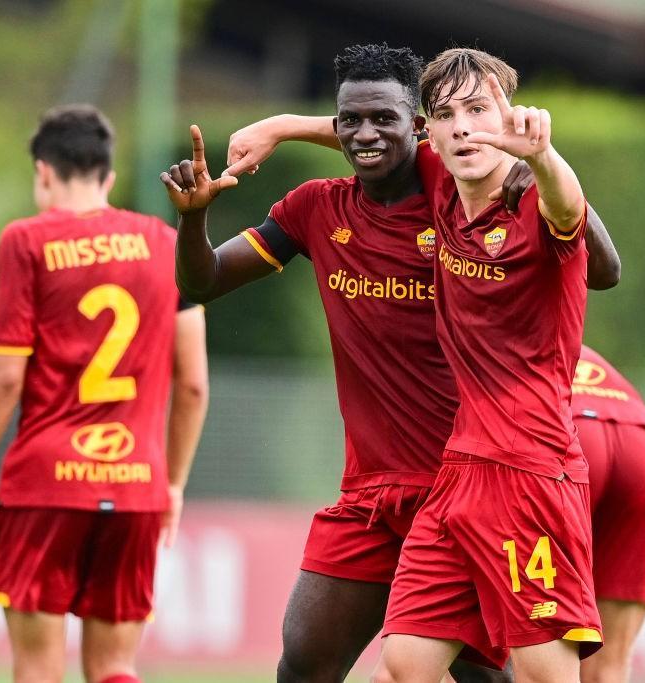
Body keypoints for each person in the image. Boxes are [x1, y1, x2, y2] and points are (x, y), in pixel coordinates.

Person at [163, 44, 618, 683]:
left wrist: (538, 156)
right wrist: (204, 209)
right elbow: (203, 281)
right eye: (349, 122)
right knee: (328, 660)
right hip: (391, 488)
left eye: (389, 120)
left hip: (505, 470)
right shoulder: (321, 207)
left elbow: (597, 260)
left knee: (497, 674)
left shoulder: (465, 187)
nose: (365, 135)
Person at [0, 104, 209, 683]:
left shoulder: (26, 241)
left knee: (38, 667)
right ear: (108, 177)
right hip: (136, 484)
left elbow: (7, 375)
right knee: (116, 667)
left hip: (46, 487)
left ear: (42, 171)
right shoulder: (167, 244)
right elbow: (192, 383)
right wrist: (173, 484)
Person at [366, 48, 600, 683]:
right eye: (447, 115)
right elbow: (371, 131)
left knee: (545, 674)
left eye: (479, 110)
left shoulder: (533, 201)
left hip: (531, 473)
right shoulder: (443, 189)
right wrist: (279, 127)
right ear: (430, 134)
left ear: (509, 117)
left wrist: (543, 156)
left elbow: (567, 207)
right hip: (459, 472)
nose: (464, 127)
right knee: (405, 663)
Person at [572, 346, 645, 683]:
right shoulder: (566, 332)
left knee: (537, 644)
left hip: (568, 433)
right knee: (608, 666)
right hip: (641, 436)